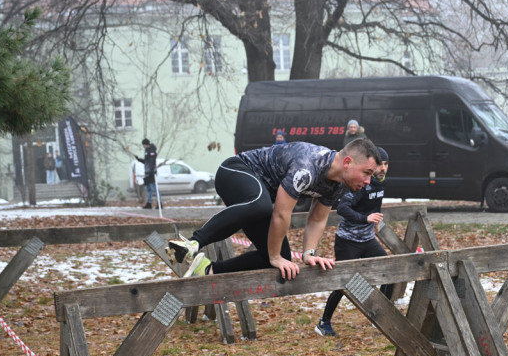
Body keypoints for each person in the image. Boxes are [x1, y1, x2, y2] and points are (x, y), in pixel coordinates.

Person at [166, 138, 381, 281]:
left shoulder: (337, 184)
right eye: (367, 172)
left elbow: (316, 220)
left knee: (277, 257)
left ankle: (207, 269)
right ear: (347, 162)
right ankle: (192, 242)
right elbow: (281, 213)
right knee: (261, 208)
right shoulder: (308, 167)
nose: (368, 181)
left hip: (257, 200)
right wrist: (275, 255)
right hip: (235, 171)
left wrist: (308, 254)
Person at [314, 147, 395, 337]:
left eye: (386, 164)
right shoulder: (361, 184)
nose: (383, 168)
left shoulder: (381, 183)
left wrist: (375, 222)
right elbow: (342, 208)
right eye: (380, 165)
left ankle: (381, 316)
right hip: (348, 241)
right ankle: (324, 323)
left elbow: (374, 205)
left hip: (367, 240)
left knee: (390, 271)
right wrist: (365, 219)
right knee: (344, 282)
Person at [134, 138, 158, 209]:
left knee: (154, 188)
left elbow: (152, 162)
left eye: (143, 145)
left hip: (151, 173)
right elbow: (146, 161)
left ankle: (159, 203)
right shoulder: (147, 151)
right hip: (147, 172)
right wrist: (139, 160)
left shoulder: (152, 151)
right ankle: (149, 204)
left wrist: (151, 172)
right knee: (148, 189)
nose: (143, 146)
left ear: (145, 144)